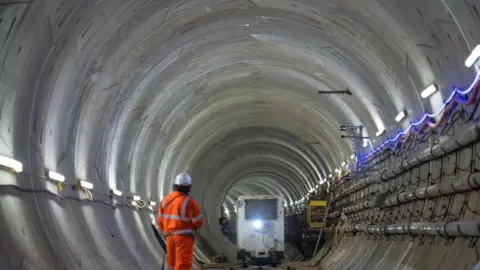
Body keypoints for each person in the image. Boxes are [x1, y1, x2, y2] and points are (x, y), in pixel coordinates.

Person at [157, 172, 204, 270]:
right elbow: (198, 222)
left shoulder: (165, 201)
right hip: (183, 239)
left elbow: (160, 221)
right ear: (188, 188)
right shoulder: (189, 201)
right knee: (182, 265)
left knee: (171, 265)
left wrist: (167, 230)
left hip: (169, 238)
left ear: (174, 185)